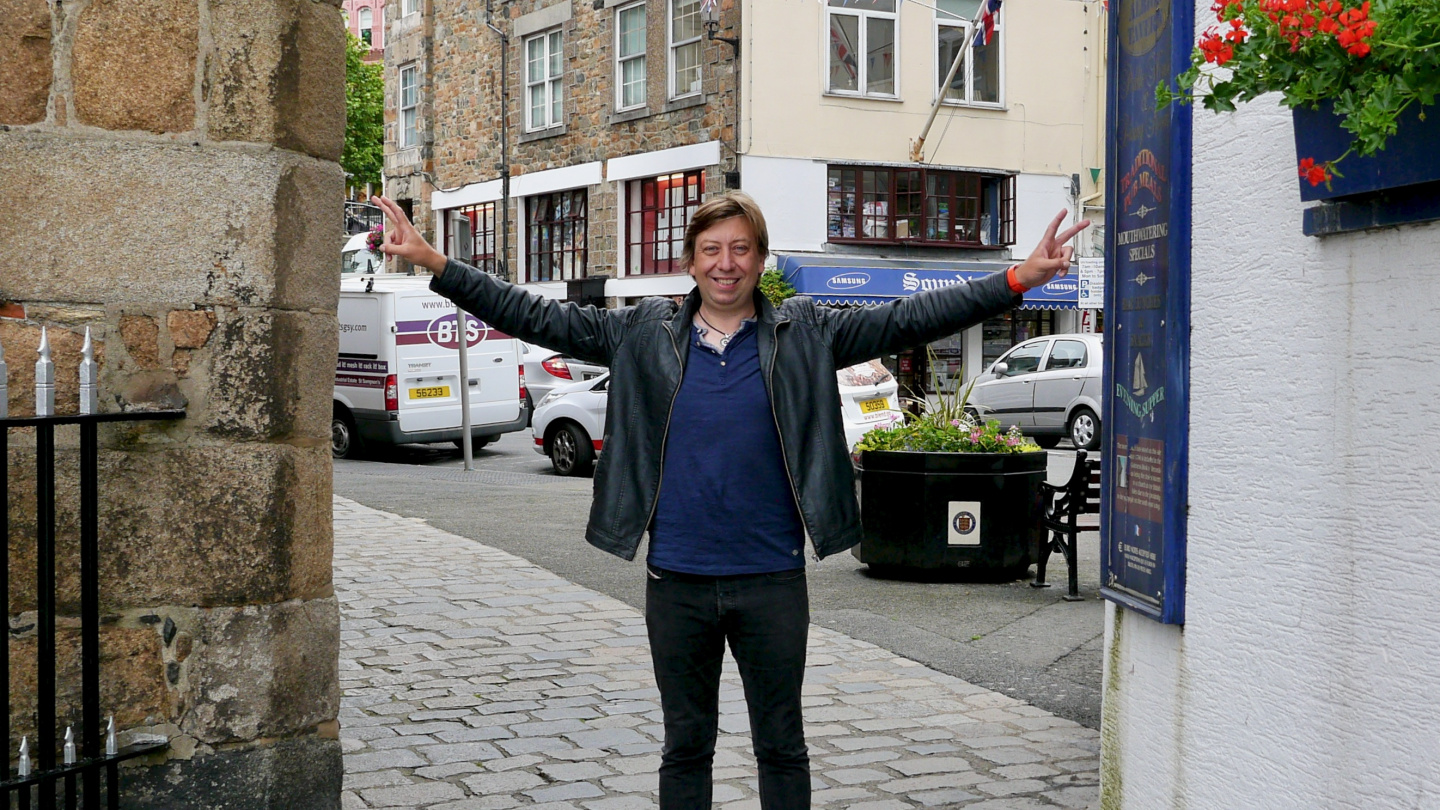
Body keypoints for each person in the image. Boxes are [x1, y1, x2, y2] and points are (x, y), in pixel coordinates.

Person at [370, 192, 1088, 810]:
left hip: (771, 579)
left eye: (740, 249)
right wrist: (437, 264)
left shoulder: (807, 331)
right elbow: (530, 314)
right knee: (687, 745)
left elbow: (909, 318)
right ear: (690, 261)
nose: (725, 263)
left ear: (760, 259)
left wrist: (1018, 278)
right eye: (711, 249)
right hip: (675, 579)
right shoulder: (640, 331)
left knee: (782, 743)